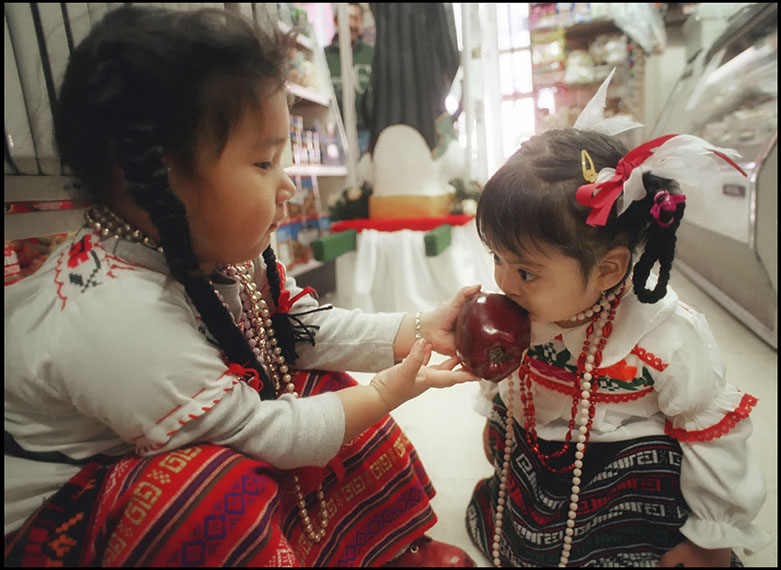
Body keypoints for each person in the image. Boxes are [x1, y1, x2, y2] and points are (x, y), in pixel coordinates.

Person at [4, 6, 480, 566]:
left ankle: (379, 546)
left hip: (145, 445)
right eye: (263, 162)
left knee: (314, 384)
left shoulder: (205, 253)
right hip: (65, 511)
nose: (288, 185)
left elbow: (304, 329)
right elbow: (261, 435)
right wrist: (384, 394)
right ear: (159, 176)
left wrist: (421, 328)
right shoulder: (115, 315)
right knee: (211, 490)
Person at [464, 78, 771, 567]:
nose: (504, 281)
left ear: (608, 269)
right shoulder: (527, 311)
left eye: (524, 270)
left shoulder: (665, 337)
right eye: (495, 257)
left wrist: (710, 540)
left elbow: (714, 441)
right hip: (537, 471)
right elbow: (507, 387)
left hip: (624, 484)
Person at [324, 2, 374, 156]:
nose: (352, 24)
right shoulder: (324, 56)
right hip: (337, 132)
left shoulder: (370, 54)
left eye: (356, 19)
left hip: (367, 131)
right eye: (348, 17)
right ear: (336, 20)